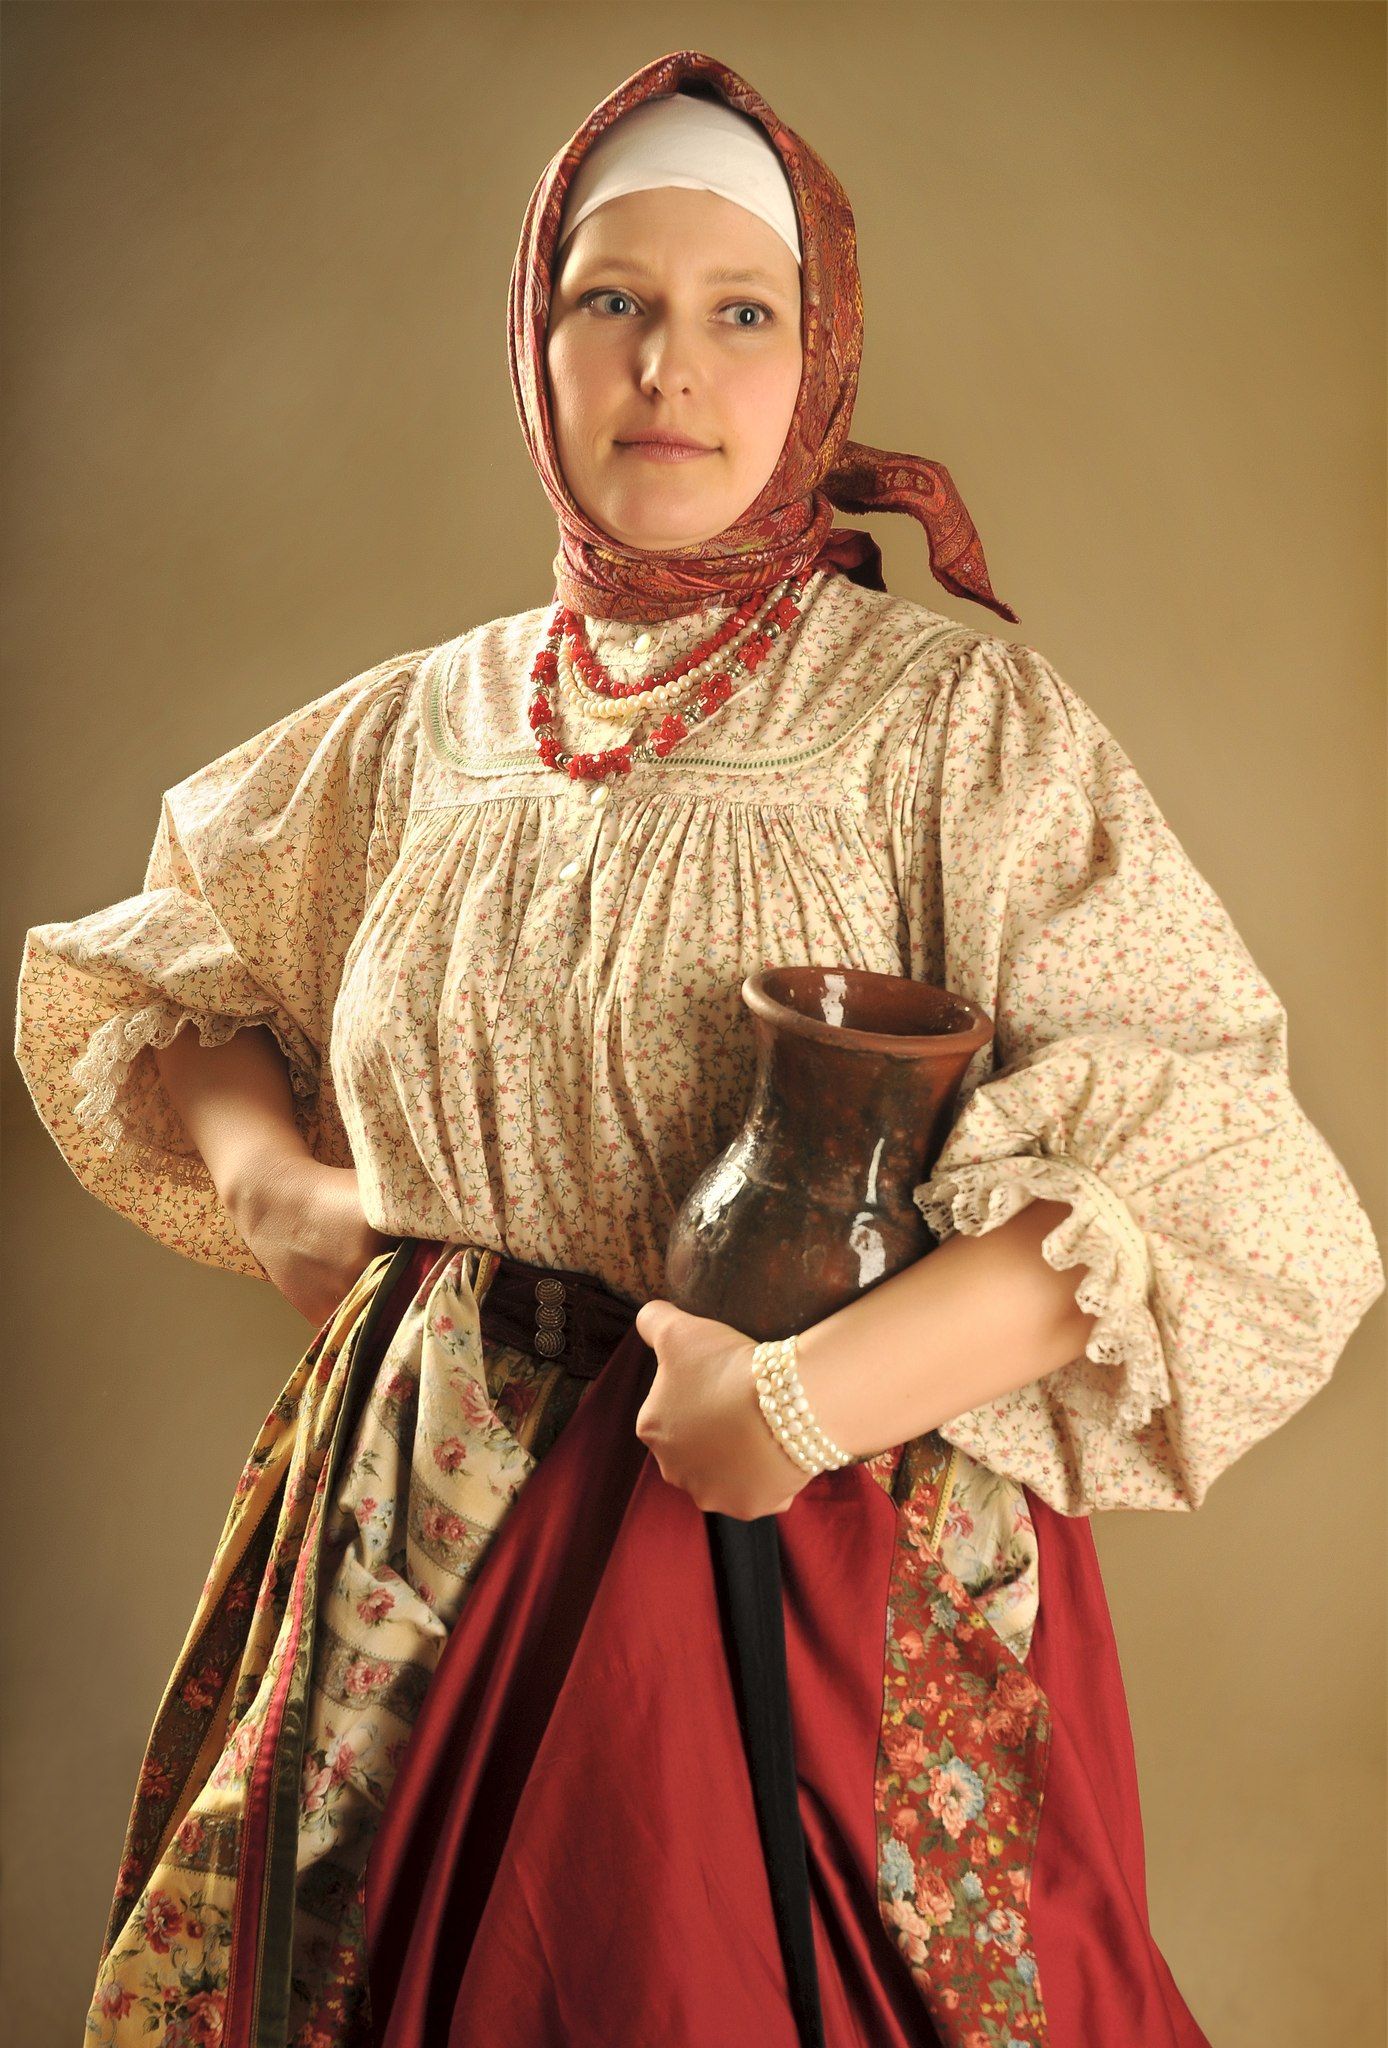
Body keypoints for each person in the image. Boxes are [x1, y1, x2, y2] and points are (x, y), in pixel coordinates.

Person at [13, 45, 1383, 2048]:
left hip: (812, 1561)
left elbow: (1219, 1173)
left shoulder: (949, 729)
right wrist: (275, 1186)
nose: (671, 366)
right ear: (537, 343)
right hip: (412, 1545)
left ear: (818, 356)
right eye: (612, 303)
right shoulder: (421, 731)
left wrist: (814, 1406)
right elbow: (161, 984)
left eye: (742, 313)